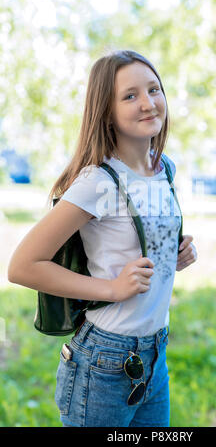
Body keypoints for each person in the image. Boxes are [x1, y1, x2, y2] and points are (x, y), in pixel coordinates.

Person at [8, 49, 197, 427]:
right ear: (106, 111)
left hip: (154, 353)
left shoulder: (164, 169)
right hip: (104, 362)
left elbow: (131, 242)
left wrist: (173, 253)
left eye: (153, 90)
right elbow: (22, 266)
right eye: (130, 96)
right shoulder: (99, 181)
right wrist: (112, 288)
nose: (148, 103)